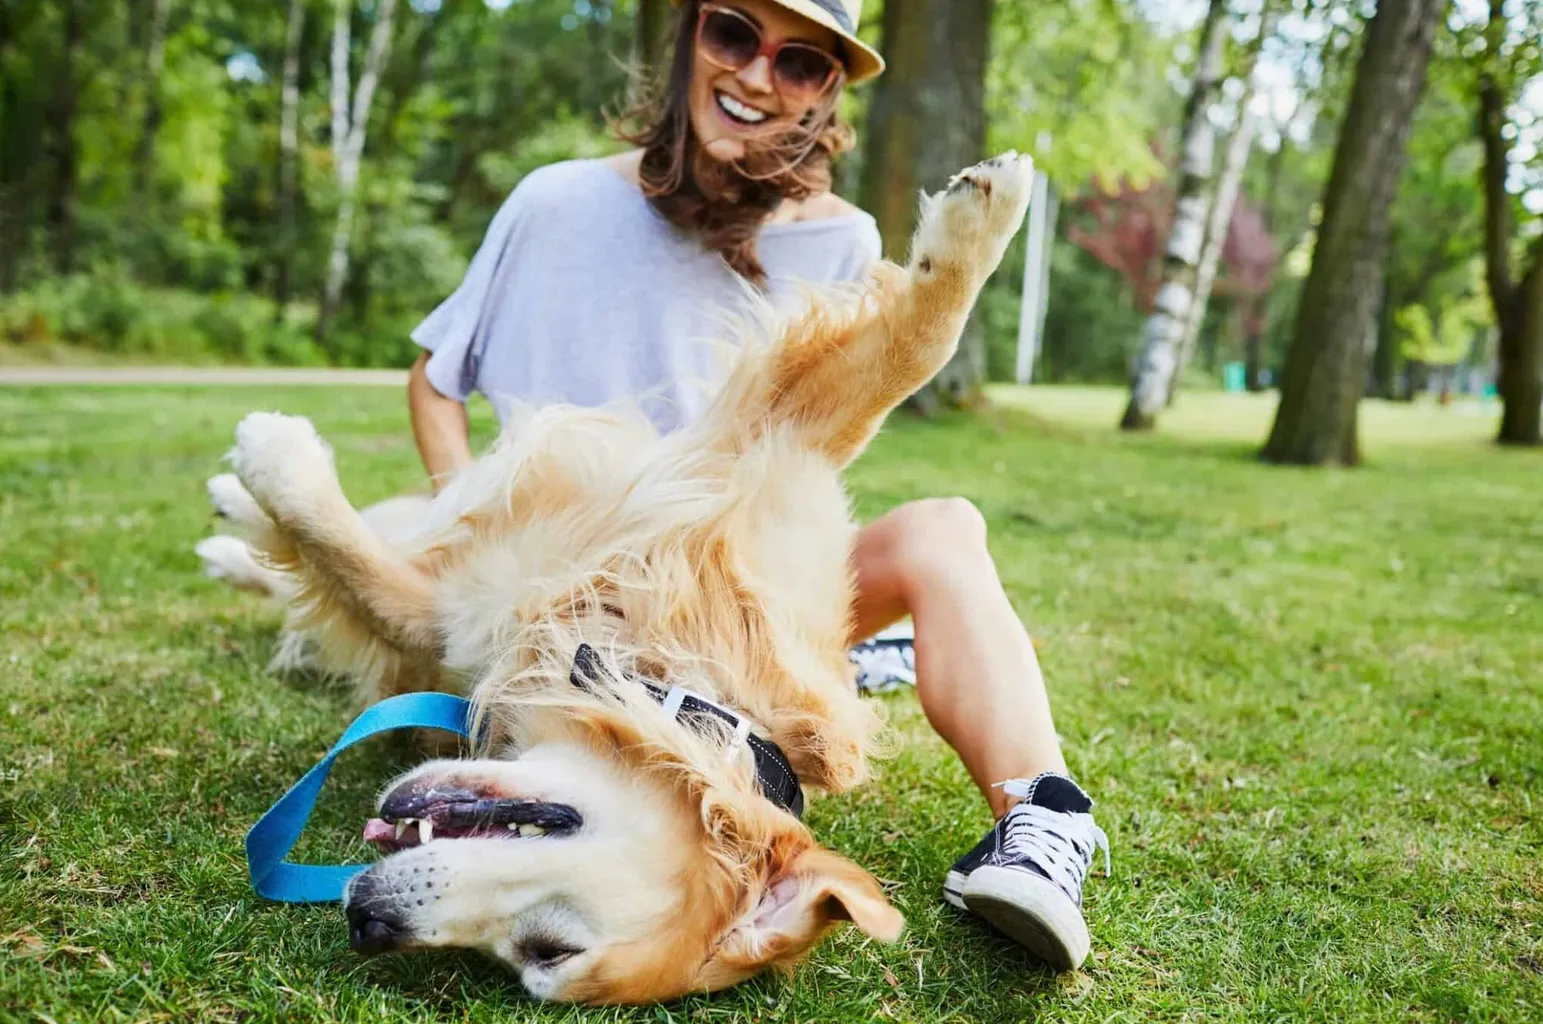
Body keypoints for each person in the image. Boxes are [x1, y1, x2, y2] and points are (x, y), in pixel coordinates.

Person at [405, 0, 1109, 971]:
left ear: (827, 96)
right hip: (567, 591)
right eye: (734, 33)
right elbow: (436, 380)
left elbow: (807, 458)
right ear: (689, 33)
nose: (755, 77)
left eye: (802, 62)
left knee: (943, 528)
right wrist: (463, 526)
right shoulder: (554, 201)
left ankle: (1041, 824)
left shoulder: (843, 243)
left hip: (732, 590)